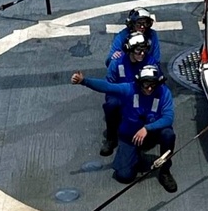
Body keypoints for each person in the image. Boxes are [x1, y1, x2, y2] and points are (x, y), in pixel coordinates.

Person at [71, 64, 177, 192]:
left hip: (151, 132)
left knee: (168, 134)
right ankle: (133, 156)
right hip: (131, 134)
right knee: (124, 176)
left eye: (153, 85)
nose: (149, 88)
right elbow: (108, 87)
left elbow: (168, 118)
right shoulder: (129, 88)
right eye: (146, 84)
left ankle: (165, 171)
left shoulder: (164, 92)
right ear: (139, 83)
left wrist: (147, 128)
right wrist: (84, 81)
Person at [99, 31, 152, 155]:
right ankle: (111, 138)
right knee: (111, 105)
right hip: (121, 96)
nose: (142, 54)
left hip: (142, 96)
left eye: (144, 51)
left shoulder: (150, 62)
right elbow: (109, 87)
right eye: (139, 51)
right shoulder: (116, 63)